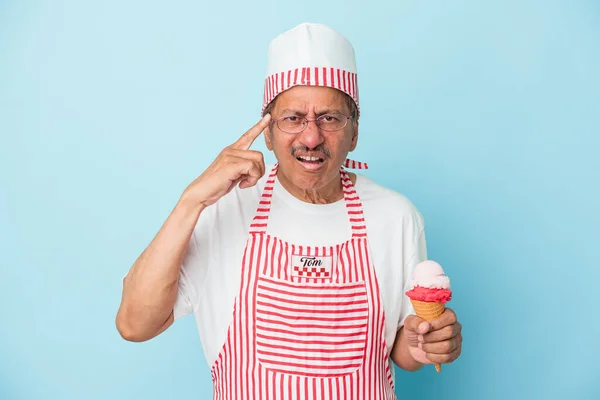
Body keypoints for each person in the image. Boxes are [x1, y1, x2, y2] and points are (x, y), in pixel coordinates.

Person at [116, 22, 462, 399]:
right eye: (293, 118)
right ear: (267, 132)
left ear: (354, 132)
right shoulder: (221, 211)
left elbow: (398, 347)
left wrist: (419, 345)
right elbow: (135, 325)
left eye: (329, 118)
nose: (311, 137)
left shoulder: (397, 217)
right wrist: (191, 200)